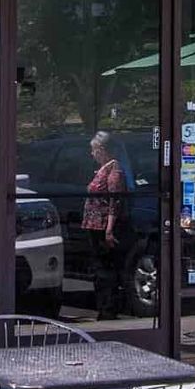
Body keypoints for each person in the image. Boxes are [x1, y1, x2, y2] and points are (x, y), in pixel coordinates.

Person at [81, 130, 125, 320]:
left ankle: (108, 309)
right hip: (93, 225)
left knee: (105, 269)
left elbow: (115, 201)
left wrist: (109, 229)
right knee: (98, 269)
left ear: (102, 149)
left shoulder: (114, 169)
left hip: (102, 227)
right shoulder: (101, 168)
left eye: (94, 150)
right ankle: (102, 306)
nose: (92, 154)